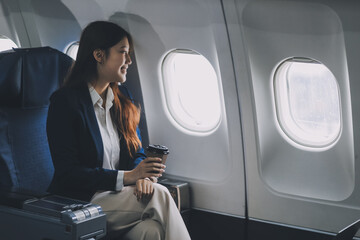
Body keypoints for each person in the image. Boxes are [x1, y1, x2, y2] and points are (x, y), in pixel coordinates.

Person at [46, 21, 191, 240]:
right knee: (160, 196)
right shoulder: (65, 102)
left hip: (118, 197)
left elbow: (137, 152)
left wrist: (143, 178)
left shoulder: (123, 98)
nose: (129, 61)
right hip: (82, 201)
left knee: (151, 230)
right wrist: (129, 177)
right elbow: (68, 173)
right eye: (123, 52)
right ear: (99, 55)